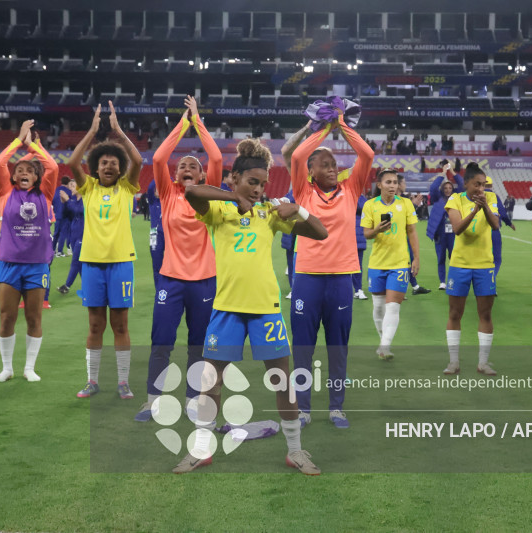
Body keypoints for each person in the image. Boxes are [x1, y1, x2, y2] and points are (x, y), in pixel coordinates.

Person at [174, 138, 328, 475]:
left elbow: (321, 233)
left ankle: (295, 451)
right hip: (226, 308)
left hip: (266, 309)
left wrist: (298, 209)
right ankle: (202, 449)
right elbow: (192, 194)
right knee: (210, 383)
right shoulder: (221, 210)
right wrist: (236, 198)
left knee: (282, 382)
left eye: (262, 183)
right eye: (251, 182)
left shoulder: (269, 214)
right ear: (234, 178)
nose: (258, 189)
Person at [138, 96, 222, 421]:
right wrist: (182, 124)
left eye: (193, 167)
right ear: (175, 176)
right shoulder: (169, 194)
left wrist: (198, 120)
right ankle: (152, 400)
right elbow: (159, 157)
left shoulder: (208, 194)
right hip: (170, 279)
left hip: (203, 280)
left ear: (202, 178)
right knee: (161, 341)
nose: (187, 168)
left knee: (198, 344)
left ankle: (192, 399)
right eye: (182, 166)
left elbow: (214, 155)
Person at [289, 112, 374, 429]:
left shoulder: (351, 190)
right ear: (310, 172)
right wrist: (324, 128)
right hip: (307, 279)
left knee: (338, 348)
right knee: (303, 348)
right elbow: (297, 154)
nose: (332, 167)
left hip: (341, 280)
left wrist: (344, 127)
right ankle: (303, 408)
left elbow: (366, 154)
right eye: (323, 164)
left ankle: (337, 407)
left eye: (334, 163)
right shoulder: (303, 192)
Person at [67, 102, 143, 400]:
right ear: (95, 167)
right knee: (96, 324)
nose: (109, 165)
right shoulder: (88, 188)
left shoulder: (127, 187)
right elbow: (74, 162)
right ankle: (92, 380)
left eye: (114, 162)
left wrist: (118, 131)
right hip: (92, 264)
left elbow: (138, 160)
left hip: (121, 263)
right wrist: (93, 131)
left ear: (119, 167)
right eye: (103, 162)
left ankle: (123, 382)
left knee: (120, 324)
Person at [0, 120, 58, 383]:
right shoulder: (5, 193)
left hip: (37, 265)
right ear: (13, 175)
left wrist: (32, 146)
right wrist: (19, 142)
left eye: (29, 169)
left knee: (34, 316)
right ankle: (7, 368)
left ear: (36, 176)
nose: (23, 171)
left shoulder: (45, 194)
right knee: (7, 315)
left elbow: (52, 166)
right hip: (8, 264)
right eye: (19, 169)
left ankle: (29, 368)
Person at [443, 163, 499, 376]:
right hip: (460, 264)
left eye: (483, 185)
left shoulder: (491, 199)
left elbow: (495, 225)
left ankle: (483, 363)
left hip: (485, 265)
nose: (481, 189)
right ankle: (453, 362)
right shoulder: (455, 199)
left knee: (485, 313)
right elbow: (457, 229)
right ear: (466, 183)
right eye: (477, 184)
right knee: (455, 312)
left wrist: (483, 206)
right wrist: (475, 209)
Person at [361, 169, 420, 359]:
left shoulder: (406, 204)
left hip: (399, 263)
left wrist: (416, 258)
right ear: (380, 185)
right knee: (378, 307)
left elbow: (412, 232)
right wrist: (377, 229)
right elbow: (366, 234)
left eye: (395, 182)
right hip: (377, 263)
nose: (393, 186)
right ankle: (382, 343)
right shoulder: (370, 205)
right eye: (388, 182)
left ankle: (385, 346)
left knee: (393, 306)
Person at [427, 164, 464, 290]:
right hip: (440, 233)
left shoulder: (457, 198)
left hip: (453, 233)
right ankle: (442, 281)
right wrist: (442, 174)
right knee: (441, 258)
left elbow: (463, 186)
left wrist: (453, 172)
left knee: (454, 258)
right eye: (446, 187)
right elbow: (432, 188)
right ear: (443, 189)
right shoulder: (438, 198)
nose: (448, 189)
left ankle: (453, 280)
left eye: (450, 187)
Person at [397, 174, 430, 295]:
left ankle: (414, 286)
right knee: (404, 261)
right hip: (397, 237)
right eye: (404, 182)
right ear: (399, 185)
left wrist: (414, 205)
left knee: (409, 260)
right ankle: (399, 289)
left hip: (405, 234)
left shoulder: (404, 200)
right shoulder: (394, 200)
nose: (405, 185)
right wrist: (414, 205)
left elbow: (407, 216)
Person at [486, 177, 515, 283]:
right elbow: (502, 213)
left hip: (479, 231)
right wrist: (509, 223)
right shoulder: (494, 196)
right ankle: (491, 280)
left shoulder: (476, 196)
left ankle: (479, 282)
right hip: (493, 230)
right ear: (491, 185)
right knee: (496, 258)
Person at [57, 182, 85, 295]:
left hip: (82, 237)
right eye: (70, 186)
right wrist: (64, 202)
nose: (70, 188)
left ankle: (67, 286)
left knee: (76, 263)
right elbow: (64, 214)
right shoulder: (75, 202)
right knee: (80, 264)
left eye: (73, 185)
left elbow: (79, 211)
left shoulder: (85, 200)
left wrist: (67, 200)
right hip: (74, 237)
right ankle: (88, 287)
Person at [353, 194, 368, 300]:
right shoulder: (360, 197)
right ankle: (357, 289)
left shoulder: (359, 197)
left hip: (357, 235)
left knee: (357, 265)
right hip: (349, 235)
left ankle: (358, 289)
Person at [52, 176, 72, 257]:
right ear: (68, 183)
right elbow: (70, 204)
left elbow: (52, 202)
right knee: (63, 233)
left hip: (57, 215)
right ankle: (60, 251)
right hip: (66, 215)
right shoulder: (69, 192)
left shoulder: (55, 191)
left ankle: (52, 251)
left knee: (56, 233)